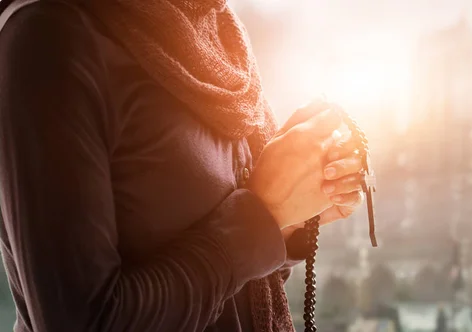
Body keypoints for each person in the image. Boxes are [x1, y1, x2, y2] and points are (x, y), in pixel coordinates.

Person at [0, 0, 367, 331]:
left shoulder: (217, 30)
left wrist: (288, 215)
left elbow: (231, 297)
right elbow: (86, 322)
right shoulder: (48, 40)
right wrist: (263, 211)